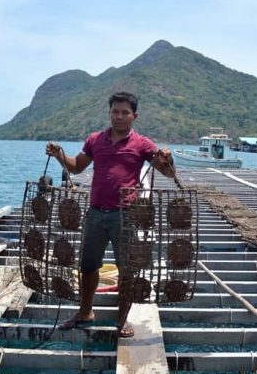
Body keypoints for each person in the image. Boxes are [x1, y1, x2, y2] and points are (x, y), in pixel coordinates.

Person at [45, 91, 175, 338]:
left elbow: (167, 173)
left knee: (126, 270)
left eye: (125, 112)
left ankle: (122, 320)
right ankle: (85, 312)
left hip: (125, 215)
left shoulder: (143, 144)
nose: (119, 116)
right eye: (115, 111)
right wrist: (59, 154)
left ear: (134, 116)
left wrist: (168, 158)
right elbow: (77, 166)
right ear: (109, 113)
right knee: (87, 265)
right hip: (95, 212)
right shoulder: (95, 140)